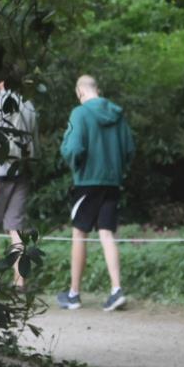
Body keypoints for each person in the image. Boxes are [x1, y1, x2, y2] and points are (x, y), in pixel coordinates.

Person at [56, 75, 135, 311]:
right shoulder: (118, 115)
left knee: (79, 233)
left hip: (87, 181)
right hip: (112, 181)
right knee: (106, 233)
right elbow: (130, 149)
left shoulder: (79, 113)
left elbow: (73, 148)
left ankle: (74, 294)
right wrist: (118, 169)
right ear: (97, 90)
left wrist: (75, 163)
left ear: (80, 92)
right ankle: (116, 290)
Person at [0, 80, 38, 290]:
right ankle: (20, 283)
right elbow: (33, 140)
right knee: (16, 227)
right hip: (21, 171)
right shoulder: (28, 104)